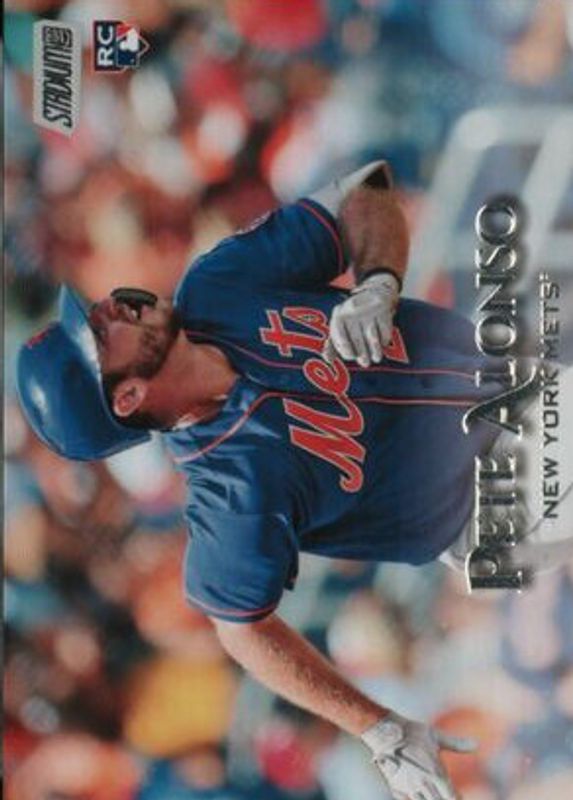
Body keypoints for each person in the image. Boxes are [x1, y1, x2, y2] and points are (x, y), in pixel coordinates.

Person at [17, 161, 572, 800]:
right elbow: (239, 627)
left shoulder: (217, 284)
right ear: (127, 397)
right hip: (491, 497)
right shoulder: (226, 490)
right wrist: (376, 726)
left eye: (94, 311)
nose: (110, 306)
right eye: (99, 333)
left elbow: (364, 190)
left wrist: (379, 281)